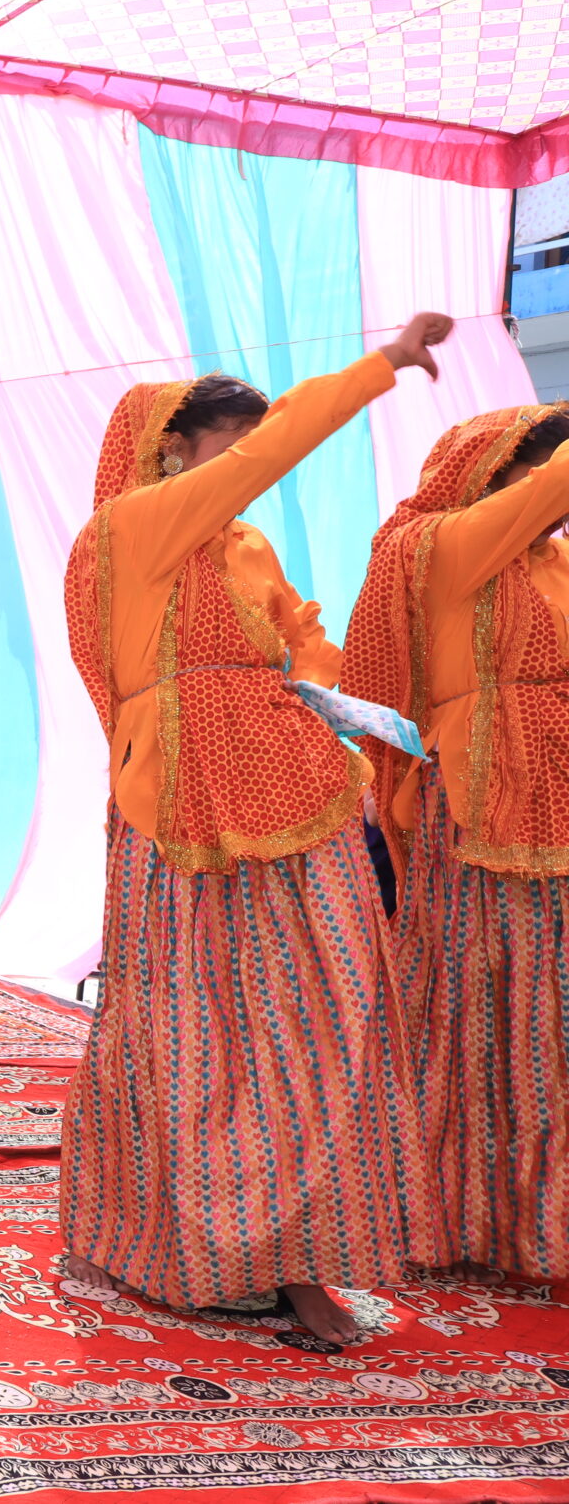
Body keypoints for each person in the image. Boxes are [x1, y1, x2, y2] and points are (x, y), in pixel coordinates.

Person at [57, 314, 450, 1346]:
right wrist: (381, 365)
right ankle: (190, 1241)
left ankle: (309, 1248)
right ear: (172, 451)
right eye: (235, 442)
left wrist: (318, 697)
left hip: (294, 782)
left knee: (332, 1007)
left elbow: (301, 631)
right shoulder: (131, 528)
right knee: (191, 1025)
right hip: (181, 802)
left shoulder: (242, 543)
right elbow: (269, 456)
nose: (253, 461)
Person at [343, 402, 569, 1282]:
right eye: (536, 479)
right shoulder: (437, 544)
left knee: (550, 1008)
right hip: (482, 801)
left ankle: (545, 1224)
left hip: (556, 794)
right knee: (483, 1003)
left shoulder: (551, 560)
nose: (550, 505)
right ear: (489, 474)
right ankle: (454, 1213)